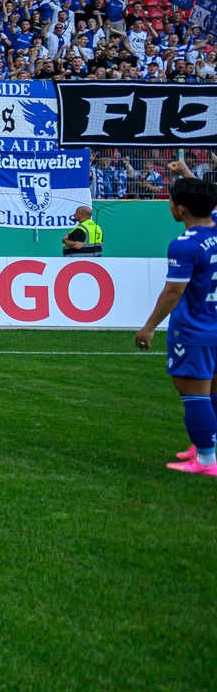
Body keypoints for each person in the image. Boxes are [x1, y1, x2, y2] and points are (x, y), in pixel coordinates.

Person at [135, 161, 217, 475]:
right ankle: (204, 444)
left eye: (170, 202)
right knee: (213, 392)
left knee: (192, 394)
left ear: (180, 210)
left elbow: (173, 292)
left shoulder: (184, 245)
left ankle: (207, 460)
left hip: (195, 330)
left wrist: (149, 327)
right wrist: (185, 173)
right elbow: (207, 197)